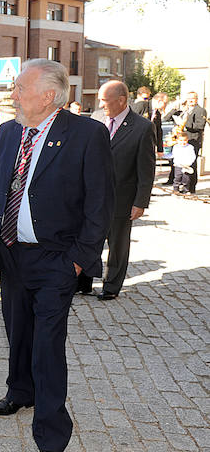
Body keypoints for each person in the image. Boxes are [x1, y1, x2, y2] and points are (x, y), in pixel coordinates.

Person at [0, 59, 114, 452]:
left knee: (47, 347)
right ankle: (19, 391)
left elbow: (100, 204)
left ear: (48, 96)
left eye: (19, 87)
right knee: (18, 331)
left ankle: (50, 437)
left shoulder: (86, 135)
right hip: (12, 254)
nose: (12, 94)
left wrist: (79, 261)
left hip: (56, 261)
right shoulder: (9, 131)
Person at [79, 81, 155, 300]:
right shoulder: (96, 119)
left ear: (121, 100)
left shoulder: (142, 127)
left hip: (121, 197)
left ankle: (111, 287)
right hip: (91, 195)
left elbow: (146, 169)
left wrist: (140, 202)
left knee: (117, 245)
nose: (100, 104)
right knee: (87, 238)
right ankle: (83, 282)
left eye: (105, 100)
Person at [182, 92, 206, 193]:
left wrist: (185, 123)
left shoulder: (201, 110)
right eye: (188, 99)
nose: (190, 101)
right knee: (183, 163)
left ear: (196, 99)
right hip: (185, 139)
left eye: (192, 99)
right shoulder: (186, 110)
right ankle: (185, 185)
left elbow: (200, 126)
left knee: (192, 163)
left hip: (194, 140)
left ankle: (191, 187)